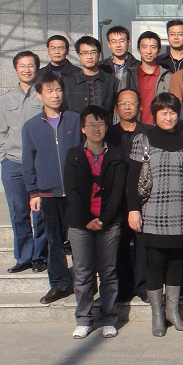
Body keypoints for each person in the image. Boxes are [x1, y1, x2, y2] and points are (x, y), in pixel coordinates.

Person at [126, 93, 183, 336]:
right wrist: (133, 209)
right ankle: (157, 314)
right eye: (163, 112)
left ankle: (172, 311)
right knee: (155, 262)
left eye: (172, 112)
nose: (168, 117)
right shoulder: (143, 139)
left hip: (182, 210)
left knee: (176, 261)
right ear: (154, 115)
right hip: (153, 211)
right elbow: (132, 179)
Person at [63, 106, 127, 339]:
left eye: (101, 124)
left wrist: (104, 219)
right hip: (80, 225)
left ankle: (109, 318)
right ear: (83, 128)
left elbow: (118, 192)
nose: (96, 128)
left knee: (108, 272)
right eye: (91, 124)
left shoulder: (116, 155)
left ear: (107, 127)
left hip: (108, 224)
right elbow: (72, 191)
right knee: (83, 273)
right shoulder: (74, 155)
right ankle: (83, 318)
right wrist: (87, 220)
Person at [21, 72, 82, 305]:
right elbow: (29, 161)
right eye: (49, 91)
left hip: (75, 192)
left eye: (58, 90)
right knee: (54, 240)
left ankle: (83, 280)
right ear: (39, 95)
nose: (55, 95)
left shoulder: (75, 120)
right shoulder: (31, 127)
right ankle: (58, 283)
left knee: (79, 239)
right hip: (48, 192)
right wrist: (33, 192)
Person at [0, 50, 47, 274]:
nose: (27, 70)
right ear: (16, 69)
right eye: (22, 66)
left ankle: (40, 256)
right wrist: (2, 157)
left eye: (31, 65)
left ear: (37, 68)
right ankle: (24, 256)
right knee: (18, 211)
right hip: (13, 162)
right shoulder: (5, 98)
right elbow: (0, 130)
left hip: (38, 163)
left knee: (40, 212)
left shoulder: (44, 95)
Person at [109, 89, 147, 303]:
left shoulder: (148, 133)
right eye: (123, 103)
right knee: (120, 243)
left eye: (131, 103)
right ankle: (123, 287)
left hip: (142, 197)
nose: (127, 107)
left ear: (139, 107)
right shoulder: (109, 134)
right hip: (116, 197)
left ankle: (142, 286)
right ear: (116, 108)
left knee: (142, 243)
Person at [63, 35, 117, 112]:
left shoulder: (112, 82)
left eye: (93, 52)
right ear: (79, 56)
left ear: (99, 54)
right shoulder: (68, 83)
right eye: (85, 53)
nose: (89, 57)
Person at [131, 31, 172, 125]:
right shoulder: (130, 75)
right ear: (139, 49)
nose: (149, 51)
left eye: (153, 47)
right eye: (144, 47)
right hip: (134, 127)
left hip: (159, 128)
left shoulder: (167, 77)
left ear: (159, 50)